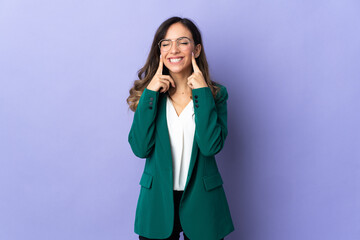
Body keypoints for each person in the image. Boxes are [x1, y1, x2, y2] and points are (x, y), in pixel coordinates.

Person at [127, 16, 234, 240]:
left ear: (196, 49)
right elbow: (140, 148)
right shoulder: (150, 96)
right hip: (157, 203)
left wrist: (203, 94)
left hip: (203, 202)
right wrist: (151, 93)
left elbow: (210, 146)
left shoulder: (215, 94)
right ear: (159, 51)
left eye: (182, 42)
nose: (173, 49)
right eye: (165, 43)